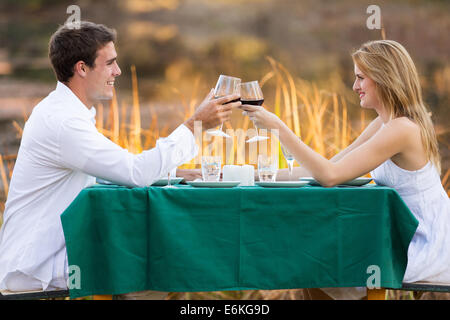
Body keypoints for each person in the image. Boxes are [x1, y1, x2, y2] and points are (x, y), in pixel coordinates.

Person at [0, 21, 241, 299]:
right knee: (157, 265)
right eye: (110, 63)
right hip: (37, 265)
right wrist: (194, 124)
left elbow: (108, 173)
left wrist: (176, 174)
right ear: (81, 68)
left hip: (48, 252)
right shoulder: (63, 122)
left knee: (158, 259)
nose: (118, 71)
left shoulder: (65, 111)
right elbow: (135, 172)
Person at [240, 40, 450, 299]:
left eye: (361, 78)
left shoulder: (402, 129)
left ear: (384, 78)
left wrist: (278, 128)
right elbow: (325, 168)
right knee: (315, 260)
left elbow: (329, 177)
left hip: (425, 244)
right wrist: (249, 174)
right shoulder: (383, 124)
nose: (355, 87)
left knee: (319, 261)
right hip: (399, 238)